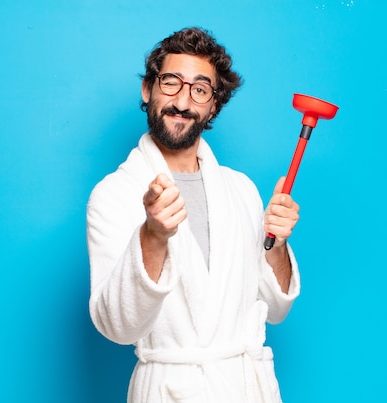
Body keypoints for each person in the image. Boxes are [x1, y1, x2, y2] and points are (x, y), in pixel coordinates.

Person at [87, 27, 301, 403]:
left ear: (213, 105)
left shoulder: (240, 190)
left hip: (244, 387)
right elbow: (117, 327)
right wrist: (152, 237)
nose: (183, 102)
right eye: (171, 83)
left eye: (200, 90)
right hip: (170, 390)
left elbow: (276, 309)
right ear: (148, 89)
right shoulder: (114, 194)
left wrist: (277, 246)